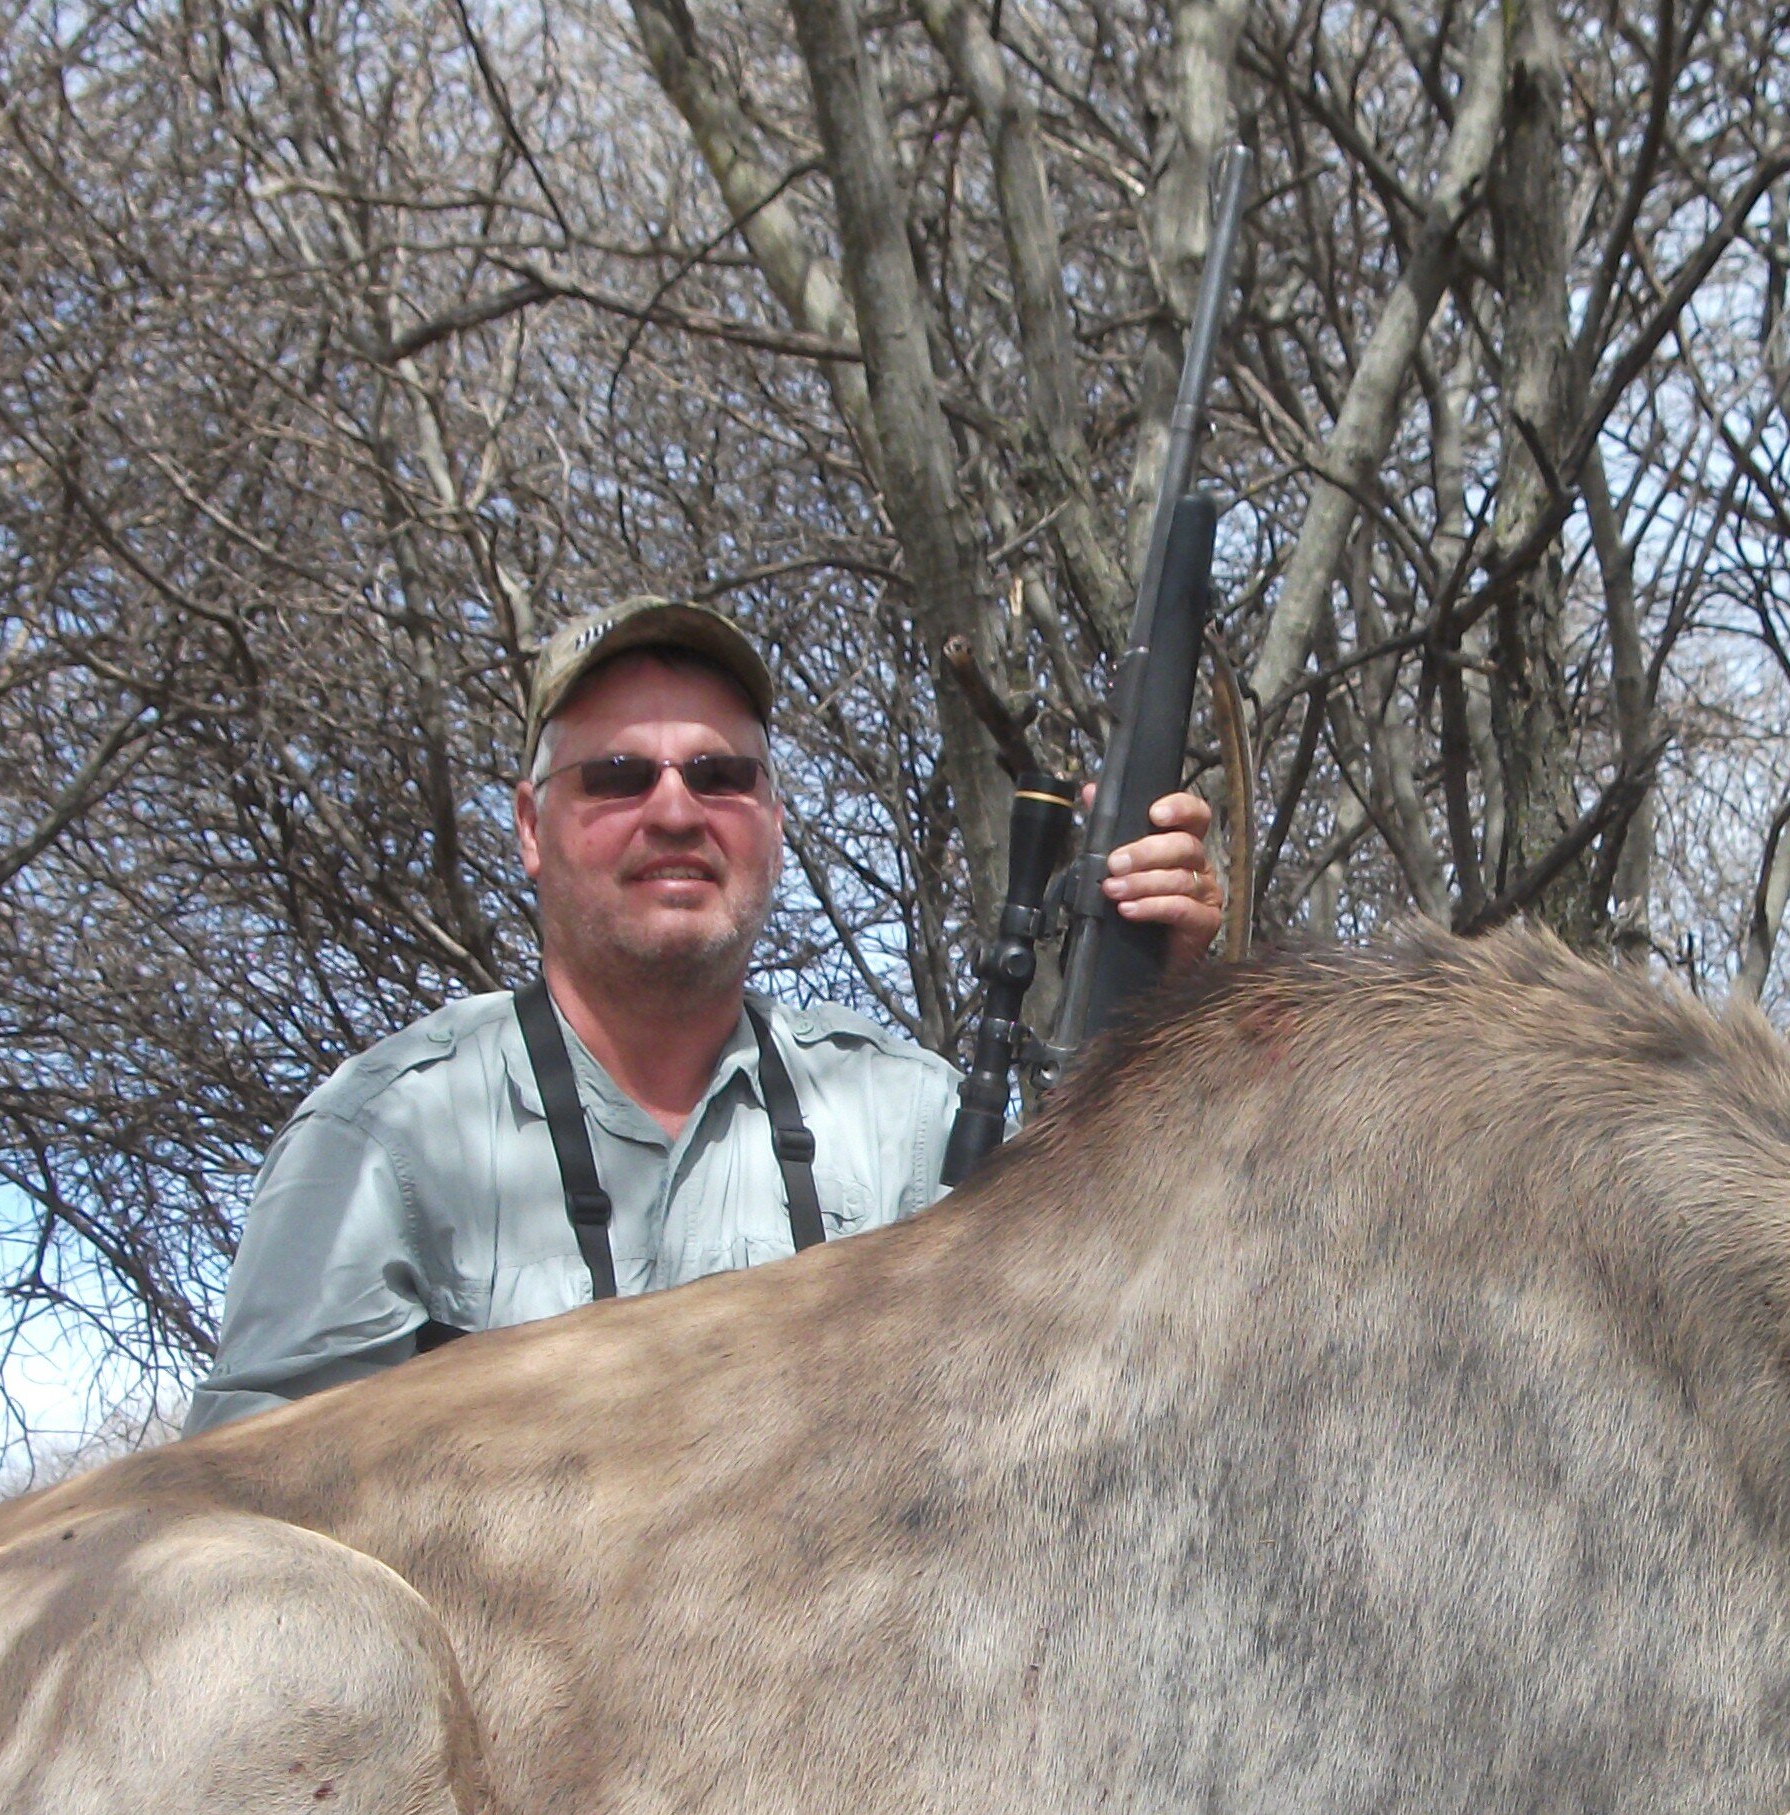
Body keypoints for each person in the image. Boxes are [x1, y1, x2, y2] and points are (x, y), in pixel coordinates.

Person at [185, 597, 1221, 1430]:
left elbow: (1107, 1347)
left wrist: (1162, 1022)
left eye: (720, 775)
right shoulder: (385, 1137)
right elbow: (240, 1540)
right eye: (619, 776)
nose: (675, 811)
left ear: (771, 819)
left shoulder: (906, 1120)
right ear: (529, 827)